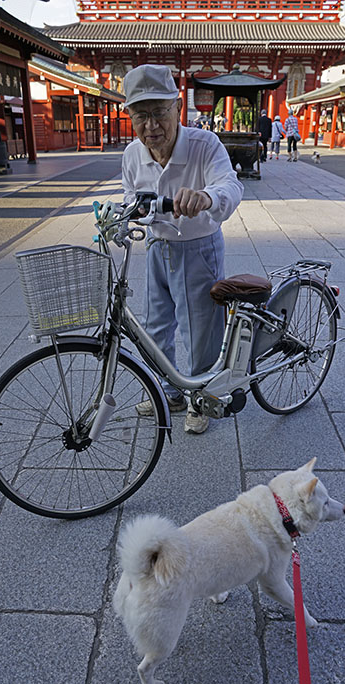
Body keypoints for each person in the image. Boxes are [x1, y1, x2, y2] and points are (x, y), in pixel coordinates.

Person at [122, 64, 244, 434]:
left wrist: (207, 197)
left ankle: (202, 398)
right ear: (130, 117)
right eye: (141, 116)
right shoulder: (132, 154)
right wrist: (128, 213)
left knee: (199, 328)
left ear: (178, 107)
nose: (151, 126)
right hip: (157, 247)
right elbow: (130, 197)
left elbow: (230, 185)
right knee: (155, 326)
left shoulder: (205, 145)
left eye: (159, 112)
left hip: (197, 248)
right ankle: (170, 391)